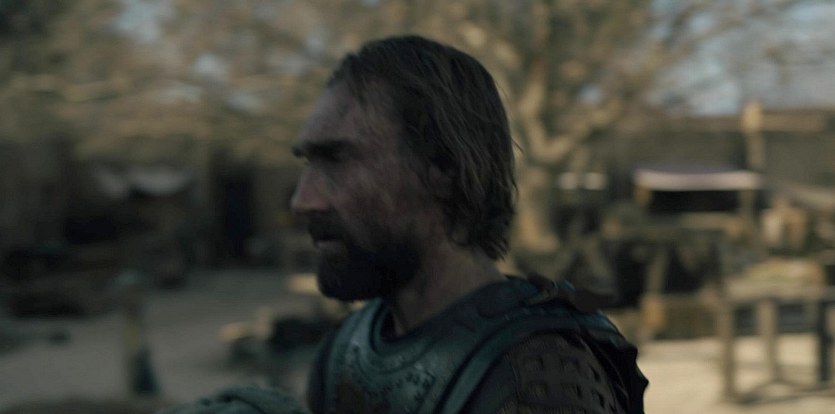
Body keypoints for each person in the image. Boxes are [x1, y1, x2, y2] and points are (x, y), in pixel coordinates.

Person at [292, 35, 647, 414]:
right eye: (308, 163)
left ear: (443, 169)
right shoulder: (347, 350)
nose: (303, 200)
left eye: (337, 160)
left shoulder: (540, 372)